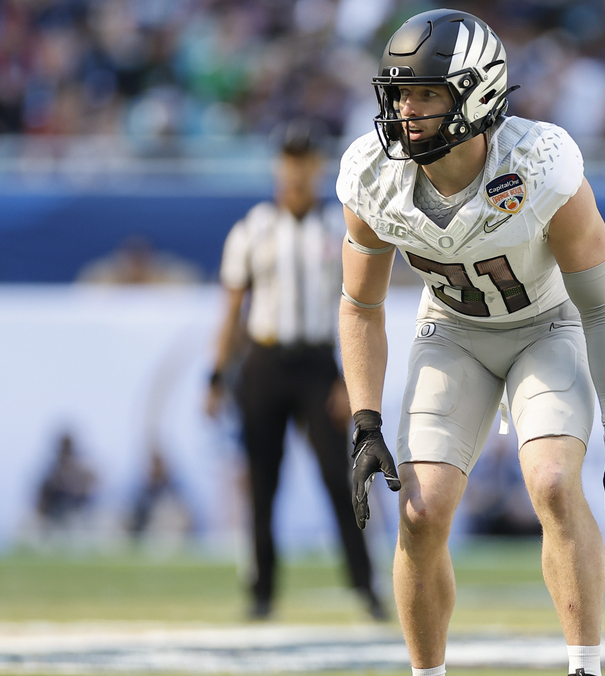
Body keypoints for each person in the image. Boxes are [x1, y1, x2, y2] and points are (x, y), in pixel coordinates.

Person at [337, 10, 605, 676]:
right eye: (399, 92)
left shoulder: (541, 164)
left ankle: (584, 668)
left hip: (547, 325)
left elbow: (599, 305)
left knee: (549, 482)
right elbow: (361, 304)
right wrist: (365, 420)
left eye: (426, 92)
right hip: (452, 332)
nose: (406, 110)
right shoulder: (373, 173)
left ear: (478, 92)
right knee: (421, 514)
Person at [205, 119, 387, 622]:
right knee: (263, 481)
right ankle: (262, 591)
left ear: (318, 167)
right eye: (288, 161)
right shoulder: (252, 228)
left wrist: (351, 380)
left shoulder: (338, 228)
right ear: (277, 167)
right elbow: (232, 310)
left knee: (339, 475)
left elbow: (361, 306)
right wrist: (216, 375)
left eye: (304, 161)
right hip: (264, 362)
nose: (295, 171)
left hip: (318, 364)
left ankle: (365, 586)